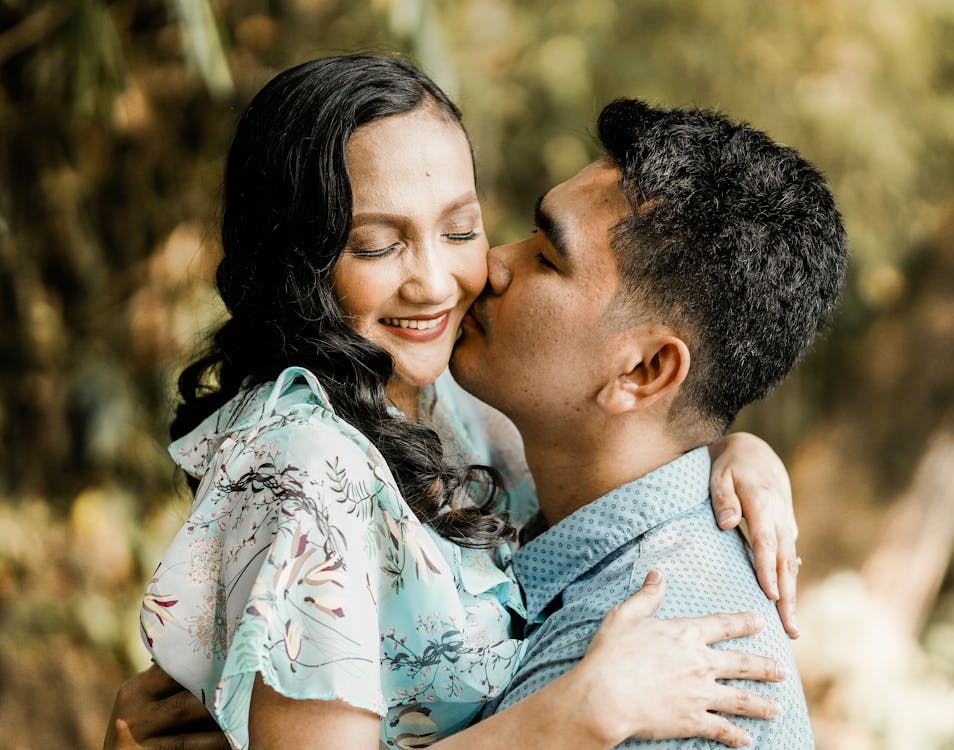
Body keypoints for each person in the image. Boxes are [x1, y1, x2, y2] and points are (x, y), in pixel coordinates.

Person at [108, 56, 803, 750]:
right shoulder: (308, 463)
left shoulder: (453, 410)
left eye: (462, 229)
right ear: (298, 264)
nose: (445, 279)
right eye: (378, 245)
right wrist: (566, 719)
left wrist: (732, 452)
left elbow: (628, 439)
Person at [452, 99, 848, 748]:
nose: (492, 263)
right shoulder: (525, 467)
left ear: (643, 370)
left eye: (547, 259)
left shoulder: (648, 673)